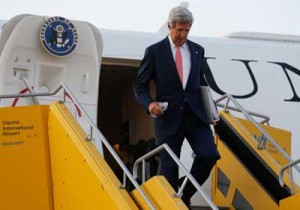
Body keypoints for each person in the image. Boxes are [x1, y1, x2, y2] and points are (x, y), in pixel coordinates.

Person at [133, 6, 220, 208]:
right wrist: (149, 104)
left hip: (196, 117)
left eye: (187, 30)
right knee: (169, 171)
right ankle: (173, 204)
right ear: (170, 26)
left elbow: (201, 84)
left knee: (209, 155)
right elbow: (139, 86)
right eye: (179, 30)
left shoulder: (197, 50)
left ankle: (184, 194)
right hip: (168, 118)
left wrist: (211, 111)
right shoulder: (154, 52)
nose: (182, 35)